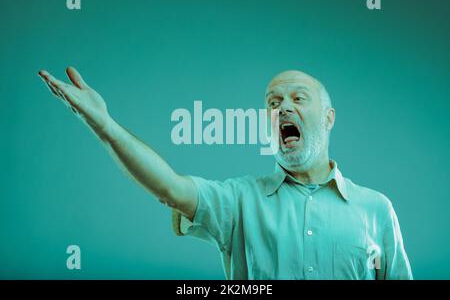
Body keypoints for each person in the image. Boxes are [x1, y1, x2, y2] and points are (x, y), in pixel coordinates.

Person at [38, 68, 412, 280]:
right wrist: (105, 126)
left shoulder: (376, 210)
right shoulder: (239, 201)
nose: (283, 108)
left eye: (298, 98)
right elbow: (169, 187)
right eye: (273, 103)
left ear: (329, 118)